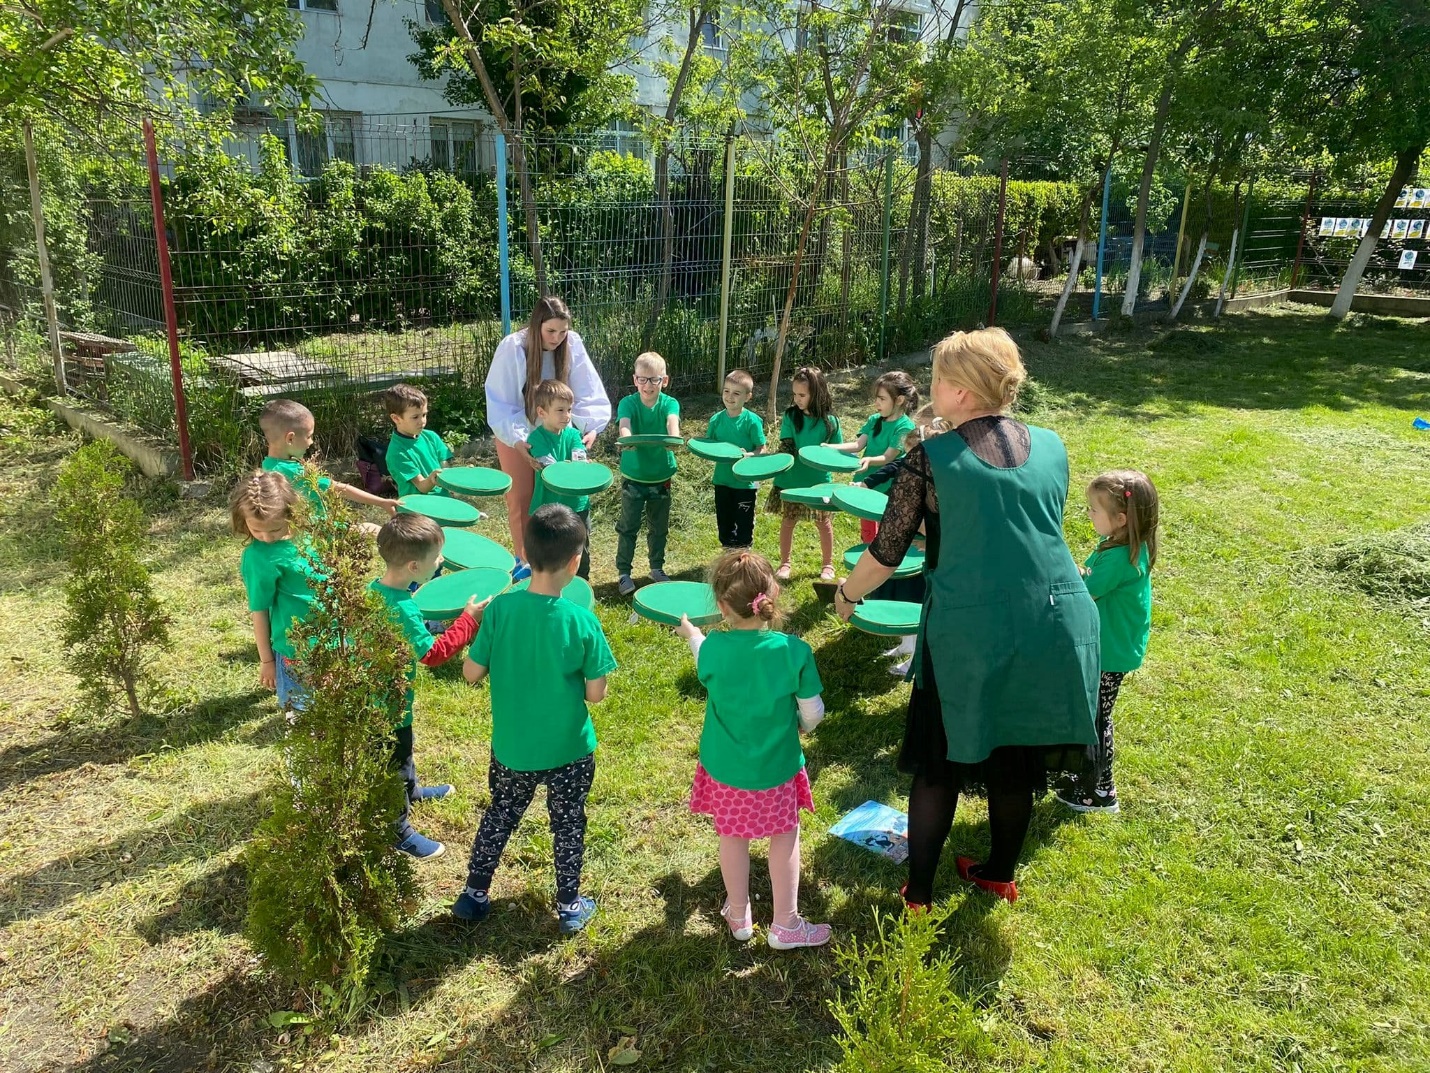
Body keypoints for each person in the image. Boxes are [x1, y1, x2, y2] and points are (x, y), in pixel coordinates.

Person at [835, 327, 1099, 907]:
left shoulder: (930, 458)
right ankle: (1000, 873)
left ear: (957, 391)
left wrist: (848, 596)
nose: (930, 390)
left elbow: (886, 553)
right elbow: (1010, 520)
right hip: (1055, 620)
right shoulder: (1053, 445)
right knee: (1013, 754)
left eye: (935, 380)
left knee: (939, 764)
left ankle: (920, 890)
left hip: (971, 631)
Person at [455, 505, 617, 934]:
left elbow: (471, 674)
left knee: (500, 814)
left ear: (525, 552)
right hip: (569, 750)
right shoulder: (583, 620)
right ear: (575, 561)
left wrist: (473, 623)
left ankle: (473, 894)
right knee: (568, 824)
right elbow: (596, 695)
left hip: (512, 748)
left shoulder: (501, 611)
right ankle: (568, 905)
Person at [675, 550, 831, 949]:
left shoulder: (713, 650)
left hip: (725, 768)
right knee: (785, 836)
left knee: (732, 838)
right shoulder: (794, 651)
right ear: (772, 593)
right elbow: (813, 713)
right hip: (777, 766)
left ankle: (740, 914)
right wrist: (802, 724)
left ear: (723, 606)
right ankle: (786, 924)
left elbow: (701, 653)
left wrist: (693, 634)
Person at [370, 512, 486, 860]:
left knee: (403, 751)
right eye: (436, 559)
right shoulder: (402, 607)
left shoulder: (376, 590)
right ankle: (398, 830)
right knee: (395, 759)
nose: (440, 563)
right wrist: (468, 621)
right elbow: (433, 654)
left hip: (381, 696)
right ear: (412, 567)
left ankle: (413, 790)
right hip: (385, 705)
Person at [1054, 469, 1159, 814]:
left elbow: (1086, 589)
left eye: (1093, 510)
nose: (1088, 514)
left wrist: (1062, 568)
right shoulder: (1117, 544)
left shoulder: (1118, 557)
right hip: (1109, 647)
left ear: (1121, 518)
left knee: (1097, 719)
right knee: (1095, 714)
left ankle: (1100, 791)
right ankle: (1087, 778)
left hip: (1109, 652)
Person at [485, 296, 612, 570]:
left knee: (560, 494)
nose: (556, 338)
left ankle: (561, 562)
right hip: (516, 433)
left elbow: (588, 389)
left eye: (562, 331)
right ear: (536, 325)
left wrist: (589, 429)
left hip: (557, 430)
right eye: (550, 331)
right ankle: (526, 564)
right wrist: (519, 440)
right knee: (521, 499)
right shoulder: (514, 348)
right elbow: (502, 403)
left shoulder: (572, 343)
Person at [231, 471, 323, 713]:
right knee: (301, 712)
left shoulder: (306, 537)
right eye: (257, 530)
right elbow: (259, 611)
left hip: (329, 638)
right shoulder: (258, 557)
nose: (267, 538)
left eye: (274, 530)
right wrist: (267, 661)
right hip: (295, 647)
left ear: (291, 515)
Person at [258, 399, 398, 530]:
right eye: (309, 436)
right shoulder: (292, 472)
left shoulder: (267, 466)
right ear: (290, 438)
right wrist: (381, 502)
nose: (311, 442)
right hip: (319, 530)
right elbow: (337, 488)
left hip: (306, 531)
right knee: (372, 530)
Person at [614, 351, 681, 596]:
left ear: (664, 380)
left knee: (659, 527)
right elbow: (625, 425)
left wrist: (673, 437)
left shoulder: (669, 403)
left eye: (654, 380)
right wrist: (627, 439)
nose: (648, 385)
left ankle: (656, 568)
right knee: (628, 527)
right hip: (634, 477)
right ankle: (623, 573)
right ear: (634, 379)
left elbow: (672, 422)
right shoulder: (628, 403)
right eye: (642, 379)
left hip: (661, 478)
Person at [768, 367, 842, 582]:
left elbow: (838, 452)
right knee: (788, 520)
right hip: (791, 480)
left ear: (817, 393)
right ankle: (785, 564)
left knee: (823, 523)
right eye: (794, 394)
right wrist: (770, 462)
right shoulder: (791, 416)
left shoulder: (831, 422)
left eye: (802, 395)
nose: (797, 399)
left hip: (818, 483)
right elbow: (787, 445)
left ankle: (828, 565)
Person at [832, 372, 920, 545]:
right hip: (866, 480)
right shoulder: (874, 420)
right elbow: (858, 445)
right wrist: (830, 448)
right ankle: (867, 552)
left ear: (899, 400)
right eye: (876, 398)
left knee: (886, 526)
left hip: (887, 483)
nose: (876, 403)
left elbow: (888, 457)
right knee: (867, 525)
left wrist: (869, 460)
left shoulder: (905, 426)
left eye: (882, 398)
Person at [527, 379, 593, 580]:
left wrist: (580, 464)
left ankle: (582, 584)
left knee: (581, 547)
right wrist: (573, 467)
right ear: (542, 412)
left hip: (578, 503)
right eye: (560, 410)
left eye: (569, 410)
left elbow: (578, 458)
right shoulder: (536, 439)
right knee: (550, 548)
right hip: (549, 507)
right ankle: (548, 584)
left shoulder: (573, 434)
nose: (567, 416)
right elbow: (553, 471)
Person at [705, 369, 767, 551]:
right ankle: (728, 554)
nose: (730, 397)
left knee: (744, 523)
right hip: (722, 480)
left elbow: (761, 448)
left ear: (748, 397)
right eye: (726, 391)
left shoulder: (752, 421)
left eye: (736, 393)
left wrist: (748, 456)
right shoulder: (715, 420)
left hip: (745, 483)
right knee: (724, 521)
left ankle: (744, 556)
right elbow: (708, 446)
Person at [383, 383, 457, 501]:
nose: (422, 421)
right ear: (396, 418)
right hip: (418, 509)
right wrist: (434, 478)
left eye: (424, 415)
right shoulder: (397, 453)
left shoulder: (431, 437)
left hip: (444, 500)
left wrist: (449, 475)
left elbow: (444, 463)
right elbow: (422, 487)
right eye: (415, 417)